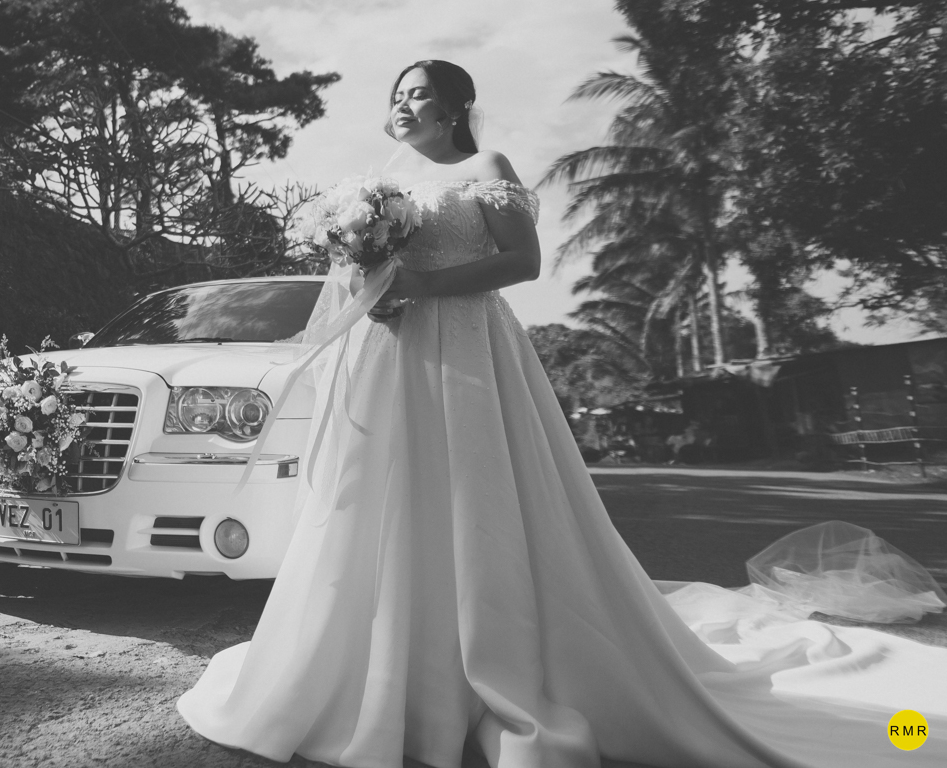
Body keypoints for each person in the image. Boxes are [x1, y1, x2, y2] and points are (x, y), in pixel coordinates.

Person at [177, 60, 947, 768]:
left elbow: (524, 261)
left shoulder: (487, 167)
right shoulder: (381, 182)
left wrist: (425, 285)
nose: (403, 104)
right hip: (395, 355)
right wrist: (372, 290)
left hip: (470, 345)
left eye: (418, 93)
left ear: (453, 107)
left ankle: (496, 660)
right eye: (397, 94)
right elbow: (361, 272)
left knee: (478, 493)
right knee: (384, 496)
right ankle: (380, 663)